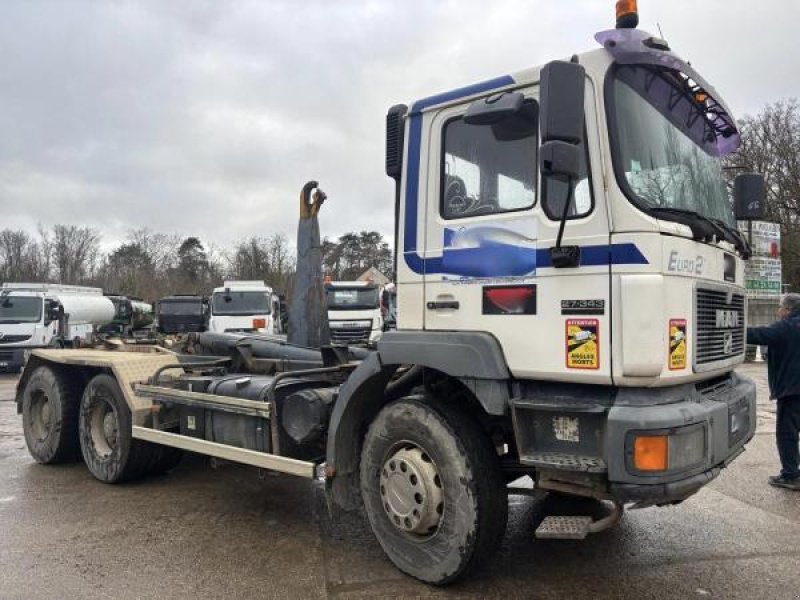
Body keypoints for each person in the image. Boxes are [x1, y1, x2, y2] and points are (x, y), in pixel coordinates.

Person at [747, 293, 800, 490]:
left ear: (788, 310)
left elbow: (755, 334)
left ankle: (791, 475)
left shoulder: (786, 328)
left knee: (787, 433)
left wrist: (728, 326)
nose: (778, 311)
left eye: (780, 308)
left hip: (792, 391)